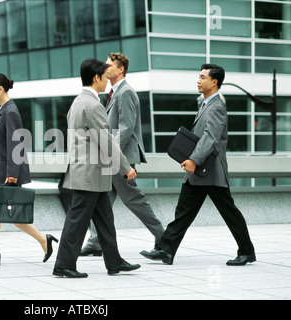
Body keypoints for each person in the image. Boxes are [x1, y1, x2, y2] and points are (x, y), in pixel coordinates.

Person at [140, 64, 256, 266]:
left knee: (229, 212)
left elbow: (210, 138)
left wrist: (194, 159)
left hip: (210, 170)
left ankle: (247, 251)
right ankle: (166, 250)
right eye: (199, 77)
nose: (198, 80)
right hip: (201, 171)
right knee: (184, 211)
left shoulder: (216, 106)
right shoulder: (205, 104)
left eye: (203, 77)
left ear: (214, 81)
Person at [53, 59, 140, 278]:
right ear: (95, 78)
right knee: (77, 222)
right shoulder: (93, 105)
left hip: (92, 174)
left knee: (105, 221)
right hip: (89, 174)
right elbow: (107, 141)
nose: (107, 81)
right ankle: (63, 265)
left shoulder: (78, 102)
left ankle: (114, 261)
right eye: (104, 77)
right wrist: (125, 167)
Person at [80, 53, 164, 257]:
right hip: (114, 157)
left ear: (121, 70)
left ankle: (164, 238)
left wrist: (111, 154)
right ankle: (95, 241)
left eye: (109, 65)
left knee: (134, 200)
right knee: (101, 199)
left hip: (120, 158)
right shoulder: (113, 92)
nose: (105, 68)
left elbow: (126, 128)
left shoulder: (125, 92)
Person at [0, 73, 58, 266]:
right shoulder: (2, 110)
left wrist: (12, 173)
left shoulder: (10, 111)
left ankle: (43, 240)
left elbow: (17, 143)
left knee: (13, 213)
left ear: (0, 89)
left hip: (7, 172)